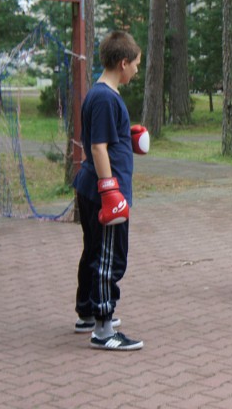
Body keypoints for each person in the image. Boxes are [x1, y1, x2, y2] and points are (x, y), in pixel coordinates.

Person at [72, 30, 146, 350]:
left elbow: (104, 139)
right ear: (123, 63)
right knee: (108, 257)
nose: (137, 71)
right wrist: (110, 191)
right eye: (136, 64)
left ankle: (88, 312)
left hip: (95, 186)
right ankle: (103, 330)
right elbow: (97, 147)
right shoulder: (104, 97)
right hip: (105, 190)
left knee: (94, 252)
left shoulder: (102, 94)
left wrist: (126, 136)